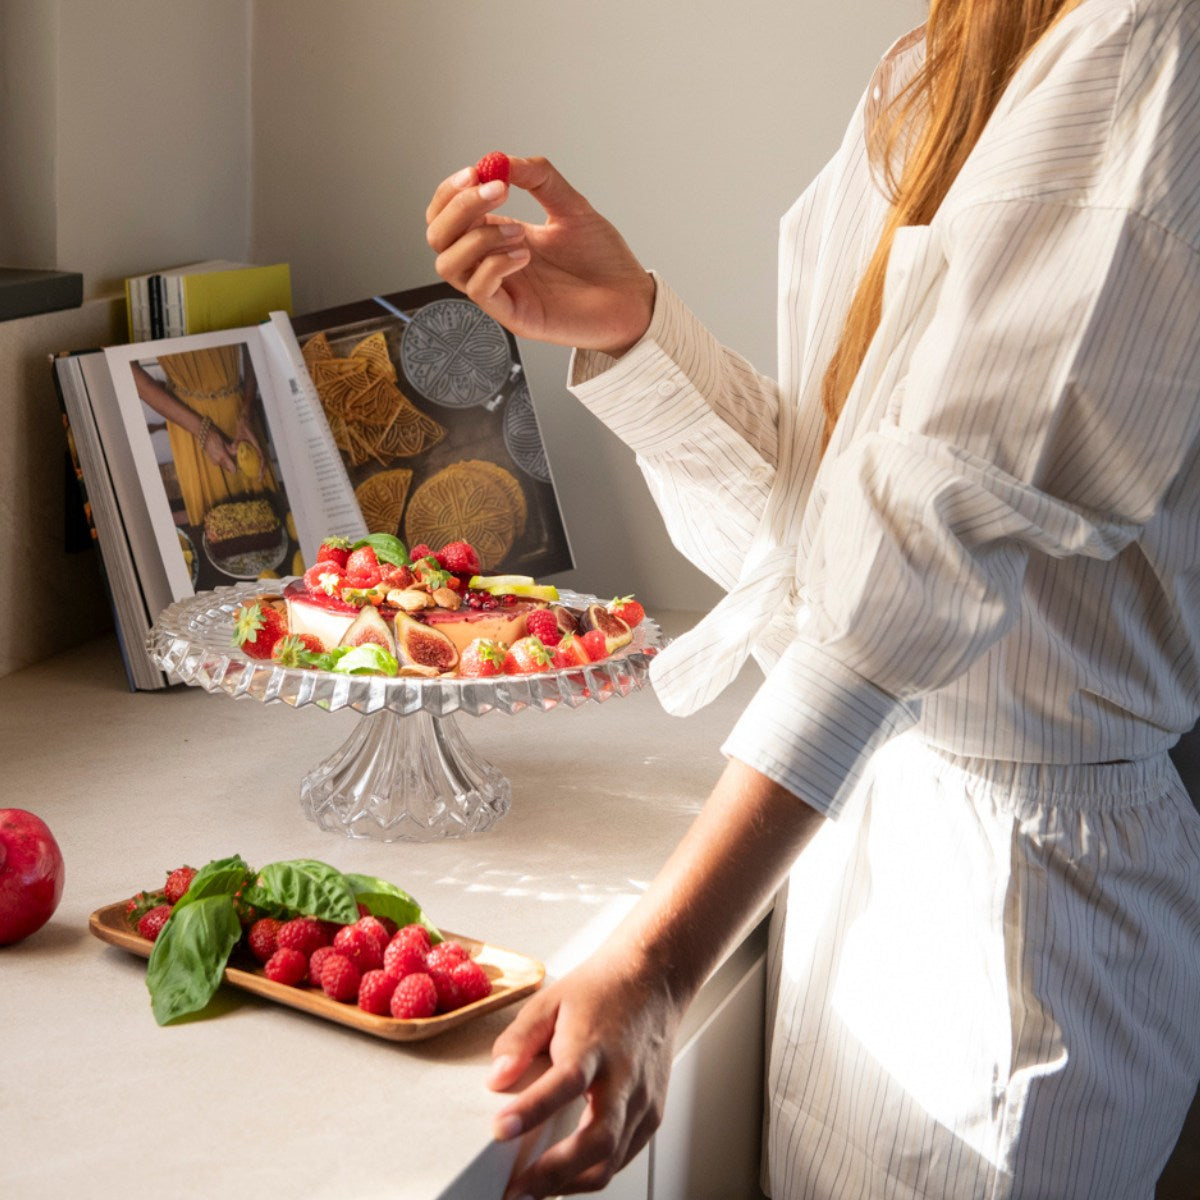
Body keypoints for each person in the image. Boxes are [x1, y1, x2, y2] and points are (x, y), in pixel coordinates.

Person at [425, 0, 1200, 1195]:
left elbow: (920, 556)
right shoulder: (943, 65)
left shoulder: (1155, 40)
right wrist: (635, 335)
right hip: (861, 854)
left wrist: (661, 958)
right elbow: (828, 532)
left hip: (1021, 932)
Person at [132, 344, 274, 527]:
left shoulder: (244, 412)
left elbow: (252, 340)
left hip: (239, 414)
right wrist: (202, 431)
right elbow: (131, 375)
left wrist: (246, 409)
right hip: (189, 423)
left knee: (268, 518)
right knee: (217, 528)